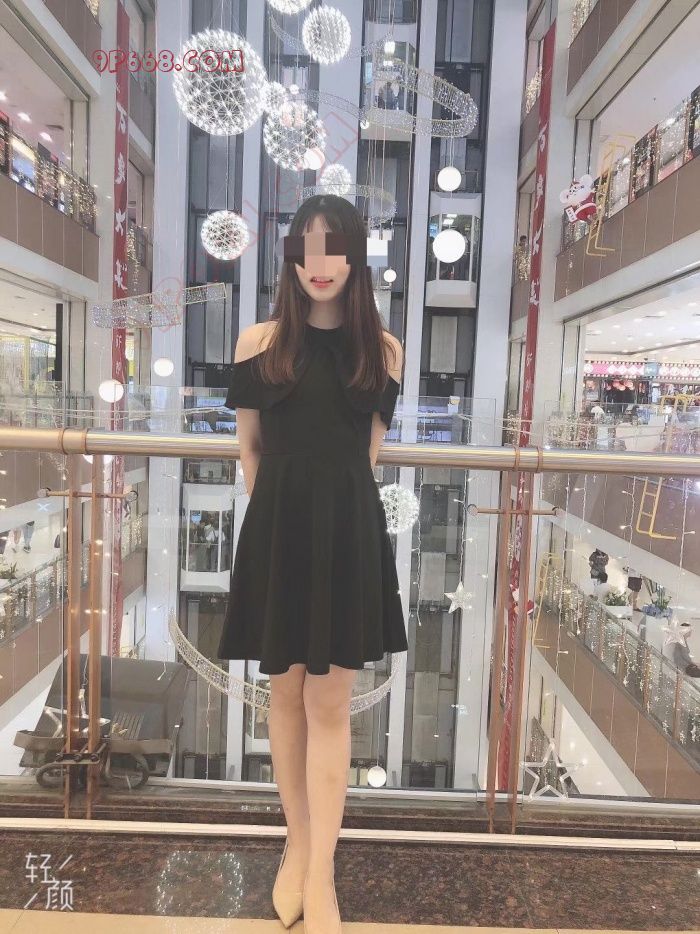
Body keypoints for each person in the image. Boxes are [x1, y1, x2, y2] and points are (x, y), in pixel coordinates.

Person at [219, 194, 407, 933]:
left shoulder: (381, 350)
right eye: (307, 248)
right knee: (285, 699)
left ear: (356, 258)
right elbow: (250, 451)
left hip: (348, 533)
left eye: (335, 248)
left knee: (329, 706)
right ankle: (296, 847)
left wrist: (328, 515)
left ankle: (322, 871)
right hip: (277, 531)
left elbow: (368, 458)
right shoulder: (258, 343)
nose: (320, 264)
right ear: (291, 257)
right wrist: (279, 523)